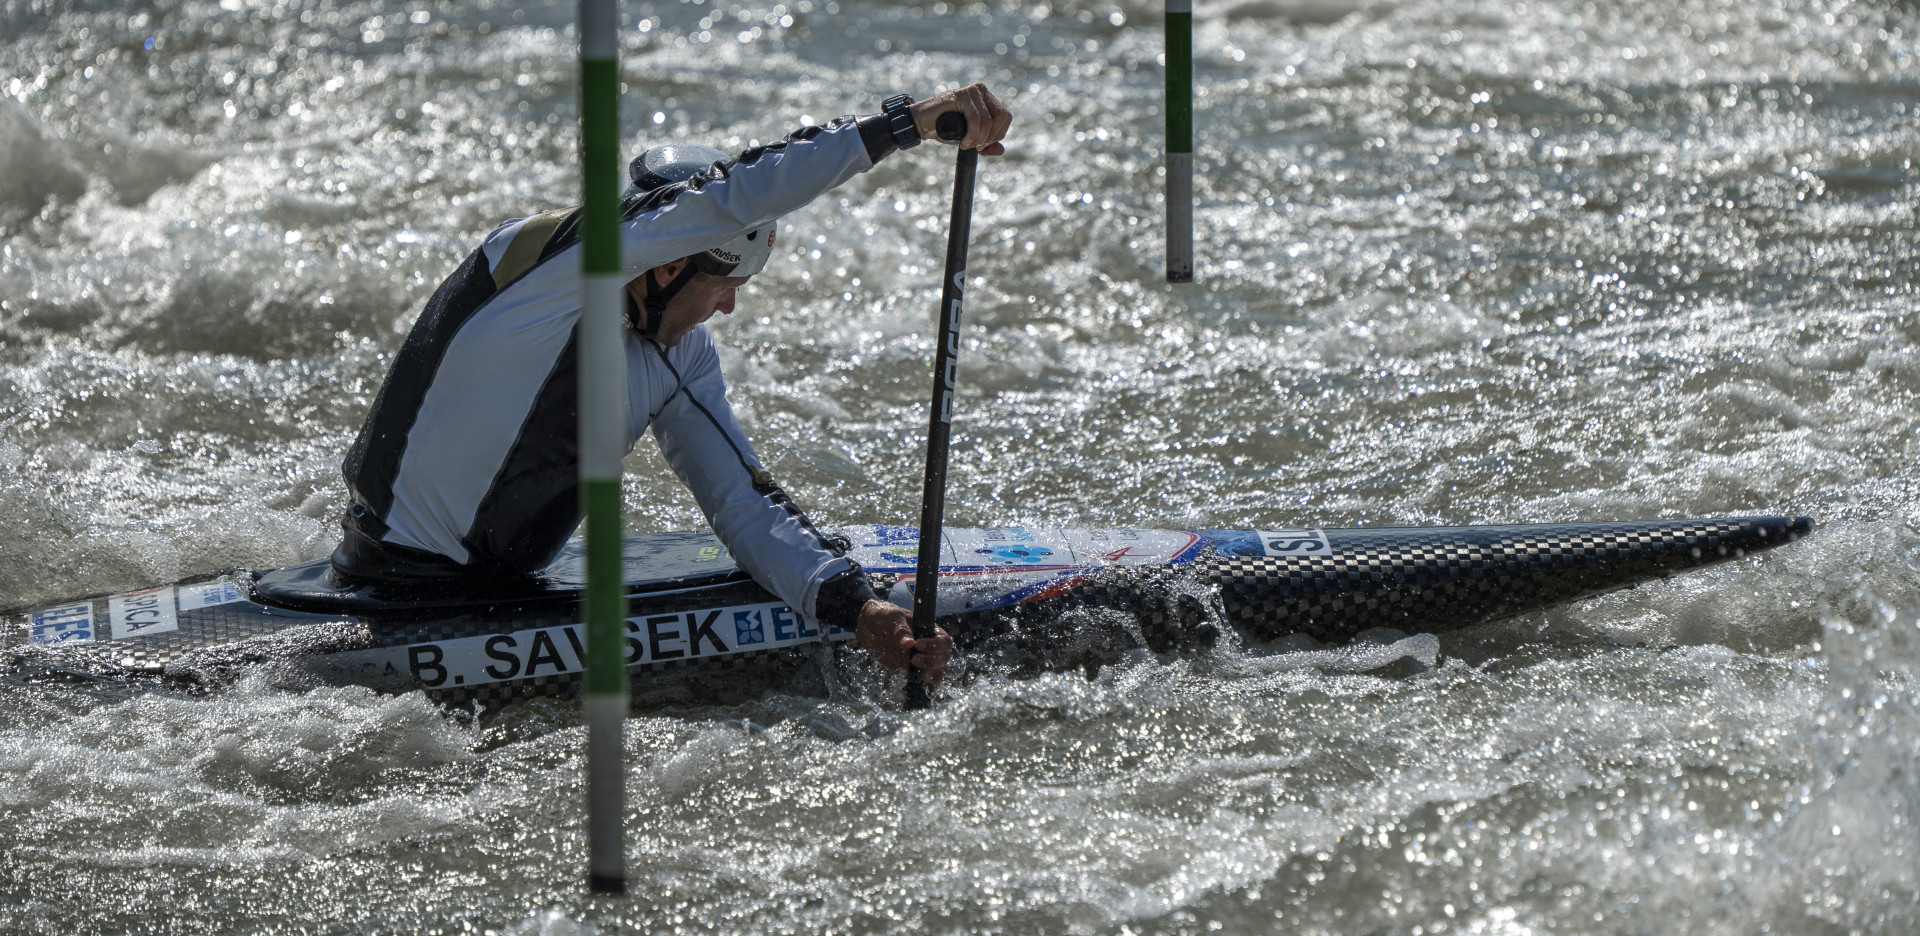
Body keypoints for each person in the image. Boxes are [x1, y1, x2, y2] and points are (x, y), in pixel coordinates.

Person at [334, 84, 1013, 686]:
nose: (729, 308)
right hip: (388, 586)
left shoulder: (681, 358)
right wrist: (908, 123)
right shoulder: (543, 273)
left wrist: (858, 609)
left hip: (505, 596)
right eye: (725, 285)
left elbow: (739, 500)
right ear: (665, 266)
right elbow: (739, 191)